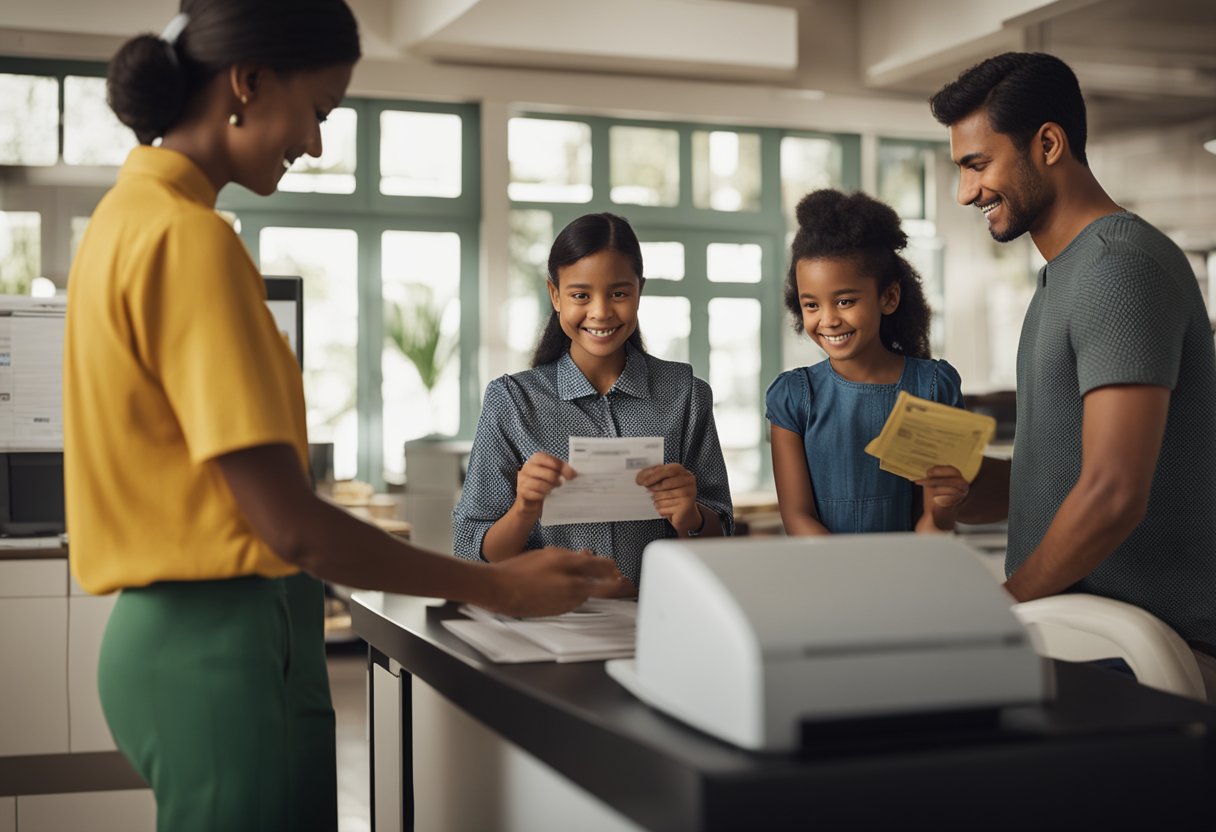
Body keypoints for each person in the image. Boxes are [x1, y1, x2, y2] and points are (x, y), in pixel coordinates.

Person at [63, 3, 615, 830]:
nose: (317, 144)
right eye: (320, 111)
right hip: (219, 647)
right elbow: (293, 527)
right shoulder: (190, 241)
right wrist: (497, 587)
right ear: (248, 83)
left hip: (182, 642)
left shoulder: (123, 219)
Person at [926, 52, 1216, 698]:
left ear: (1049, 143)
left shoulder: (1118, 270)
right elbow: (1060, 478)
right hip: (1087, 644)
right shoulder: (1063, 278)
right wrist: (962, 482)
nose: (965, 191)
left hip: (1149, 664)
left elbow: (1112, 493)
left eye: (978, 164)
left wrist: (999, 608)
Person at [452, 212, 734, 594]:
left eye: (619, 293)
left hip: (659, 620)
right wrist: (524, 509)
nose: (600, 311)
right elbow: (472, 551)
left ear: (639, 291)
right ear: (555, 295)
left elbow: (721, 539)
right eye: (580, 295)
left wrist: (691, 515)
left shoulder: (685, 394)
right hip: (548, 624)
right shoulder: (512, 401)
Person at [766, 189, 969, 537]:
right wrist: (853, 578)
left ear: (888, 297)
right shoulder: (793, 397)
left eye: (844, 301)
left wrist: (944, 506)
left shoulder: (932, 387)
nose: (828, 320)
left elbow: (934, 526)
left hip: (909, 575)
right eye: (811, 305)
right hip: (828, 579)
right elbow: (798, 519)